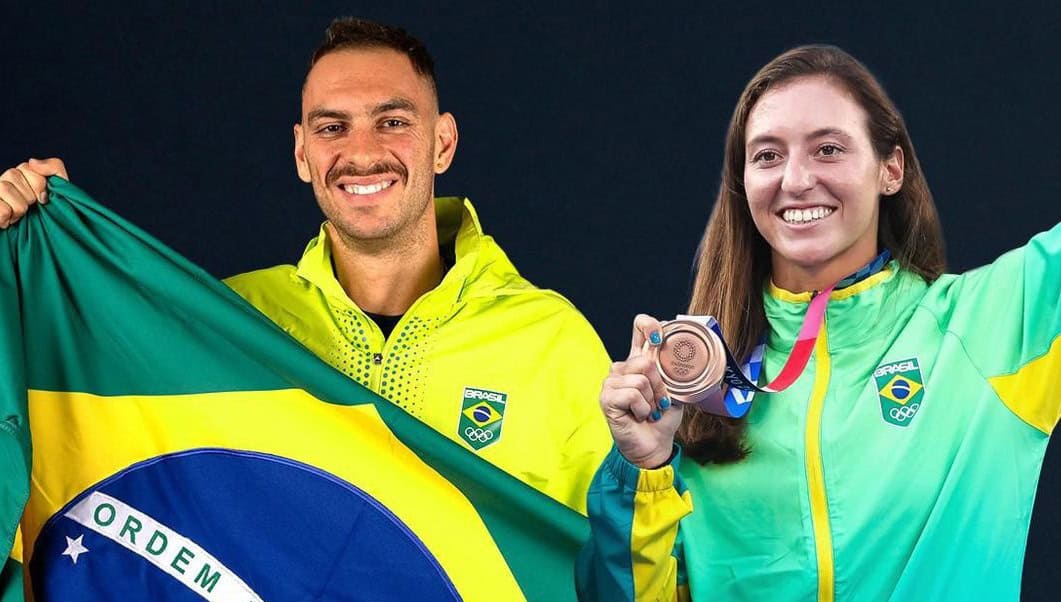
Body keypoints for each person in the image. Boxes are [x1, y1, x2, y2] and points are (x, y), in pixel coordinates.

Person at [0, 17, 611, 513]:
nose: (363, 153)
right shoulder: (233, 324)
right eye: (332, 127)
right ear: (302, 152)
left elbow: (632, 566)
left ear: (442, 142)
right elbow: (73, 409)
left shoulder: (552, 342)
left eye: (393, 122)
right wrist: (34, 259)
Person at [578, 45, 1060, 601]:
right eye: (767, 156)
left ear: (890, 168)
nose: (797, 179)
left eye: (828, 149)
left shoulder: (993, 325)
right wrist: (643, 467)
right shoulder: (690, 389)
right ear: (743, 183)